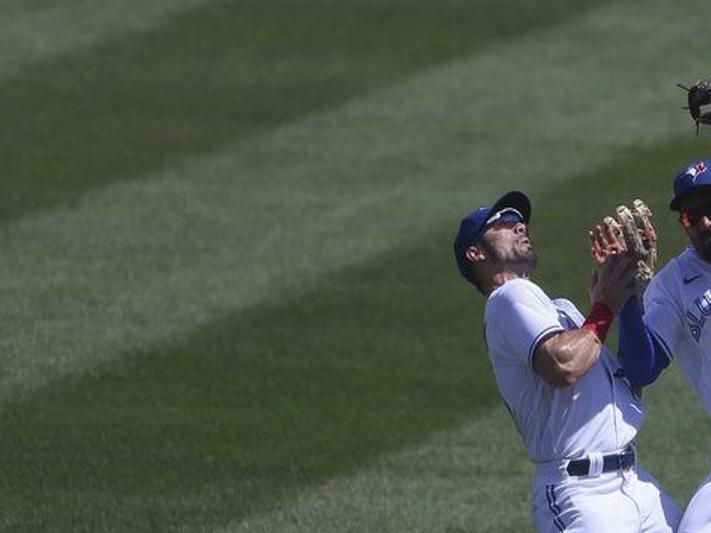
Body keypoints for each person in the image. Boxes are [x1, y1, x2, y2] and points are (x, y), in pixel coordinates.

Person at [453, 190, 681, 533]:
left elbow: (633, 380)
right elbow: (563, 366)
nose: (520, 227)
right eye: (505, 223)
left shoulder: (563, 311)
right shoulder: (506, 298)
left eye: (522, 222)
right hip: (583, 497)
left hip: (636, 484)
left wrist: (627, 298)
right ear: (476, 253)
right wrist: (604, 307)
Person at [612, 159, 711, 533]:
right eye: (691, 217)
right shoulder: (673, 285)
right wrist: (630, 299)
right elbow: (641, 368)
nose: (704, 224)